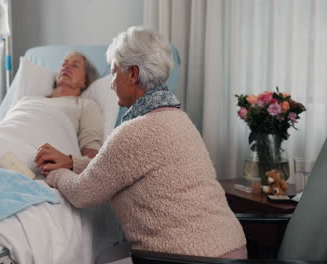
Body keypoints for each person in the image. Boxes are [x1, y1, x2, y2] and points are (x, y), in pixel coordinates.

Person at [34, 26, 247, 260]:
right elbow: (115, 169)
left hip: (188, 258)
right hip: (230, 252)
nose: (112, 83)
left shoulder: (133, 133)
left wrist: (55, 174)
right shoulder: (178, 119)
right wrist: (72, 162)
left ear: (133, 74)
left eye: (115, 73)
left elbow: (82, 193)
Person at [20, 50, 103, 158]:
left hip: (34, 155)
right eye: (64, 64)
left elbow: (92, 155)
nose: (66, 67)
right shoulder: (27, 100)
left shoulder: (85, 105)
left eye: (75, 65)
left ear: (85, 81)